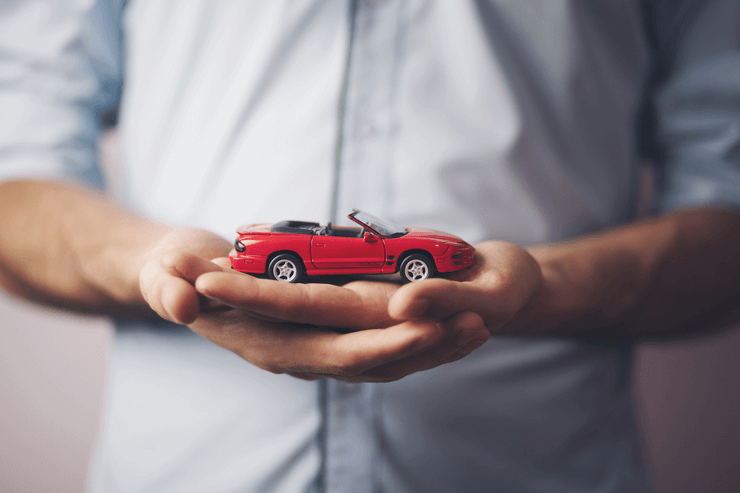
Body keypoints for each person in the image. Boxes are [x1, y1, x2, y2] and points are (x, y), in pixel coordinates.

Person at [1, 1, 739, 492]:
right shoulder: (295, 251)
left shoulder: (392, 252)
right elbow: (15, 173)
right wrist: (156, 265)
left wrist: (545, 286)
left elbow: (726, 203)